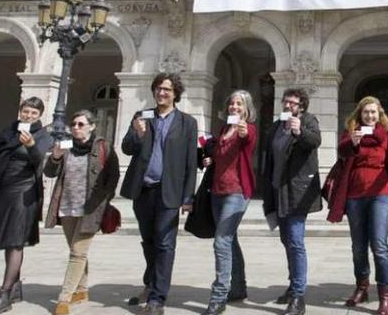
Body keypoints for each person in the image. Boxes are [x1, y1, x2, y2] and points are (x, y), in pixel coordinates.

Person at [120, 72, 199, 315]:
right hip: (143, 189)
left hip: (169, 192)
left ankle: (157, 299)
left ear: (175, 93)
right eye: (158, 88)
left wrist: (188, 197)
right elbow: (127, 148)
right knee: (149, 241)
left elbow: (190, 162)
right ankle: (151, 282)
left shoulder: (187, 122)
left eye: (166, 89)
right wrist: (138, 134)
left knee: (165, 244)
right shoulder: (142, 116)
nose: (161, 93)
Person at [0, 97, 54, 315]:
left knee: (15, 240)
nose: (29, 116)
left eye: (34, 113)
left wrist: (30, 146)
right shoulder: (10, 131)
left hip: (23, 192)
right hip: (3, 189)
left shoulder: (42, 135)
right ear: (20, 111)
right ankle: (15, 285)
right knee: (8, 239)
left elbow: (39, 161)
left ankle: (4, 293)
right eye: (26, 111)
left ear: (40, 116)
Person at [327, 96, 388, 315]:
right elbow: (341, 151)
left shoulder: (386, 138)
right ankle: (362, 286)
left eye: (373, 112)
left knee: (379, 246)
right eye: (366, 112)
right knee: (358, 246)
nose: (370, 116)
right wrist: (353, 142)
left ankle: (385, 296)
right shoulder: (350, 135)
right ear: (359, 114)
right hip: (355, 196)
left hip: (380, 195)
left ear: (380, 115)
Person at [43, 110, 120, 315]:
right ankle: (82, 290)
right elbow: (49, 172)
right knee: (77, 252)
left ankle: (64, 298)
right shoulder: (66, 146)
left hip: (90, 209)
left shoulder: (103, 147)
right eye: (74, 124)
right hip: (67, 206)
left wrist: (104, 202)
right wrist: (55, 157)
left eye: (81, 124)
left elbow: (113, 177)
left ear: (92, 126)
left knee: (77, 253)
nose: (76, 128)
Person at [261, 87, 322, 315]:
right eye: (286, 102)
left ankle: (298, 296)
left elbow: (315, 140)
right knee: (286, 240)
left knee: (295, 242)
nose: (288, 106)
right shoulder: (277, 126)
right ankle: (292, 285)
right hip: (278, 190)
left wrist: (300, 133)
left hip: (297, 191)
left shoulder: (308, 121)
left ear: (302, 106)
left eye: (293, 103)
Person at [199, 90, 258, 315]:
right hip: (217, 190)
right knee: (230, 241)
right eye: (232, 103)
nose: (234, 107)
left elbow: (248, 140)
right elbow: (219, 152)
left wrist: (243, 132)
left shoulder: (248, 128)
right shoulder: (224, 129)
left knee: (221, 242)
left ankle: (219, 296)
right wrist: (210, 158)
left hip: (237, 192)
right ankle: (239, 287)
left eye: (239, 104)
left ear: (246, 109)